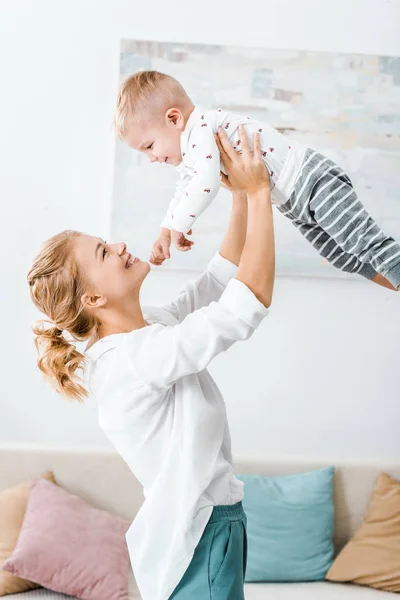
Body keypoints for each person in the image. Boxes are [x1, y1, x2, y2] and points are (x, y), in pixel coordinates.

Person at [27, 131, 273, 600]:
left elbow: (218, 282)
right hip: (202, 536)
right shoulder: (134, 361)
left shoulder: (145, 334)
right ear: (93, 298)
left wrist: (239, 194)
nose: (119, 246)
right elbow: (245, 307)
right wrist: (260, 194)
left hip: (214, 528)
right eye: (103, 253)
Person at [115, 70, 400, 291]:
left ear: (174, 118)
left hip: (313, 182)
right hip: (295, 203)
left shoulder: (200, 128)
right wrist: (167, 229)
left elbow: (205, 184)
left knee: (364, 243)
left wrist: (180, 225)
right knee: (343, 257)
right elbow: (185, 187)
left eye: (149, 146)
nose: (152, 158)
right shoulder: (191, 147)